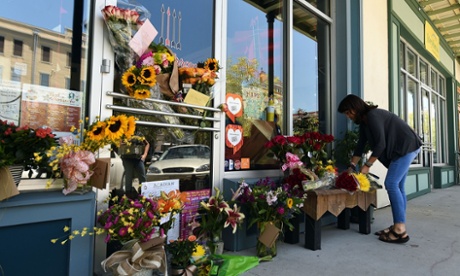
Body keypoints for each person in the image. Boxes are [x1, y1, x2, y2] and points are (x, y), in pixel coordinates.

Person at [338, 94, 422, 244]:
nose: (348, 116)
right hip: (403, 149)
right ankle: (399, 224)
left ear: (354, 108)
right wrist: (351, 166)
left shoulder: (372, 115)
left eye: (348, 112)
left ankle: (399, 229)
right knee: (399, 186)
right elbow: (360, 146)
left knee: (391, 184)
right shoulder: (365, 123)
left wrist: (367, 166)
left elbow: (381, 144)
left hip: (406, 147)